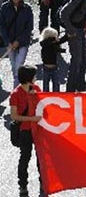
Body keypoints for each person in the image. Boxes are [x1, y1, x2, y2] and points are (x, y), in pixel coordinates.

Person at [9, 65, 43, 197]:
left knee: (41, 158)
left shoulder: (37, 89)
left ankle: (43, 182)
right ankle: (23, 185)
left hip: (38, 129)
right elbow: (14, 116)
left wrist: (37, 97)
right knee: (25, 158)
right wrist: (32, 119)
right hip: (24, 131)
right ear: (29, 78)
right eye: (34, 75)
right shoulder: (15, 94)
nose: (36, 77)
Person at [0, 0, 33, 87]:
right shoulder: (4, 8)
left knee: (18, 67)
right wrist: (8, 42)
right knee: (14, 68)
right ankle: (18, 92)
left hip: (22, 43)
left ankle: (16, 92)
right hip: (10, 43)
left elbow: (29, 28)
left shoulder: (27, 9)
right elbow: (2, 27)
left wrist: (18, 41)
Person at [40, 27, 65, 92]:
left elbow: (60, 41)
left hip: (50, 67)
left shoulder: (50, 44)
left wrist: (66, 37)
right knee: (52, 85)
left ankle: (51, 96)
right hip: (50, 67)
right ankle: (52, 97)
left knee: (52, 85)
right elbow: (50, 43)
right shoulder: (46, 44)